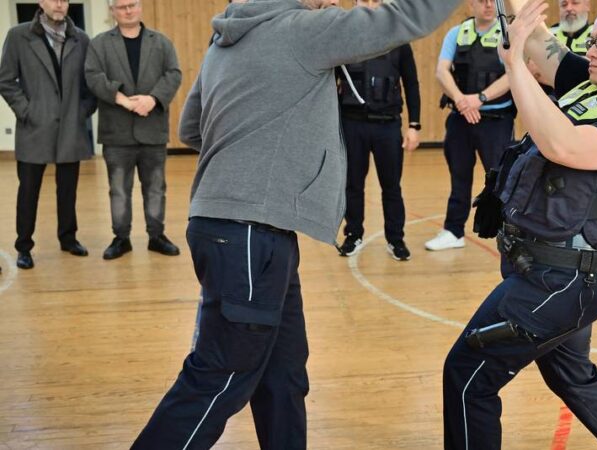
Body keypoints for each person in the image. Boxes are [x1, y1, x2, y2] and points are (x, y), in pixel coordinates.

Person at [130, 0, 463, 448]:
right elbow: (403, 17)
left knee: (282, 378)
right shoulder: (303, 30)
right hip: (249, 232)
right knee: (220, 378)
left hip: (243, 228)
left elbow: (192, 128)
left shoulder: (225, 38)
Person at [442, 0, 597, 448]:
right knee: (575, 378)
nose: (590, 50)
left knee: (467, 376)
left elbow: (563, 144)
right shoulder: (595, 87)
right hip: (554, 275)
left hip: (560, 284)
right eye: (591, 39)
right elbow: (541, 41)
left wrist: (514, 64)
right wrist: (514, 14)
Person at [0, 0, 96, 269]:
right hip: (34, 128)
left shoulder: (82, 39)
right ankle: (24, 246)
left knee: (68, 189)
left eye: (64, 0)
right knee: (28, 191)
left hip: (70, 127)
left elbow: (91, 82)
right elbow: (6, 80)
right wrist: (27, 111)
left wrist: (82, 111)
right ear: (41, 2)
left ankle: (68, 238)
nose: (59, 4)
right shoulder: (18, 36)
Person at [85, 0, 183, 260]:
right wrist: (125, 101)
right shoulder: (100, 44)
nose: (128, 10)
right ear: (112, 11)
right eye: (121, 7)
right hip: (117, 133)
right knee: (118, 189)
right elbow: (93, 77)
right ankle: (121, 238)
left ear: (140, 7)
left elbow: (173, 73)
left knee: (155, 188)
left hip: (153, 130)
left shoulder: (161, 42)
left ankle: (156, 236)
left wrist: (152, 99)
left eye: (132, 5)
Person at [424, 0, 515, 252]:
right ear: (470, 5)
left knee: (499, 180)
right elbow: (442, 71)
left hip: (495, 122)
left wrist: (480, 98)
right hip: (460, 120)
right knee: (459, 178)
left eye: (491, 1)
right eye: (481, 0)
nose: (487, 5)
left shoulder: (507, 35)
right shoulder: (456, 33)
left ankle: (508, 232)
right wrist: (463, 102)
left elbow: (513, 74)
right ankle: (453, 231)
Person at [336, 0, 421, 261]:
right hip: (352, 124)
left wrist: (414, 125)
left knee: (391, 186)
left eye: (376, 0)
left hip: (387, 125)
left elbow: (412, 84)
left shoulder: (398, 41)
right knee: (353, 184)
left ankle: (395, 239)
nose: (371, 4)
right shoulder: (344, 39)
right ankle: (353, 234)